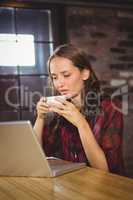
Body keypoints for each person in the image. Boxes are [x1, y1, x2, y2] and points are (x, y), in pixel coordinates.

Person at [34, 44, 124, 175]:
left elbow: (105, 170)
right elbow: (37, 156)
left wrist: (81, 123)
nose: (59, 83)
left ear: (85, 73)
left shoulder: (110, 108)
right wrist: (40, 118)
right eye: (54, 77)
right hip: (68, 185)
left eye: (66, 75)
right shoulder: (57, 107)